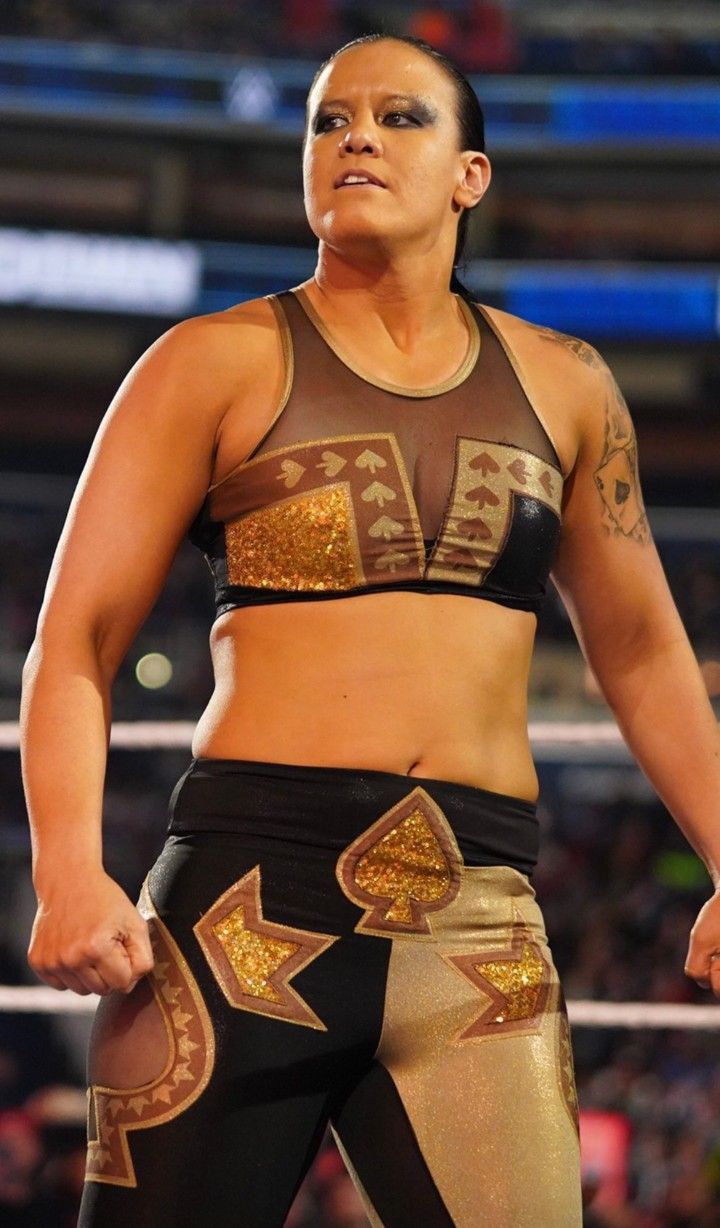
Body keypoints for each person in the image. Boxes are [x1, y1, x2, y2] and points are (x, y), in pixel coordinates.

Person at [19, 31, 720, 1228]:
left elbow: (644, 649)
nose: (354, 139)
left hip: (479, 918)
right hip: (239, 904)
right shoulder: (205, 362)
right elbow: (76, 642)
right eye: (327, 121)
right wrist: (66, 872)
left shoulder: (568, 384)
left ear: (471, 175)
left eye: (399, 118)